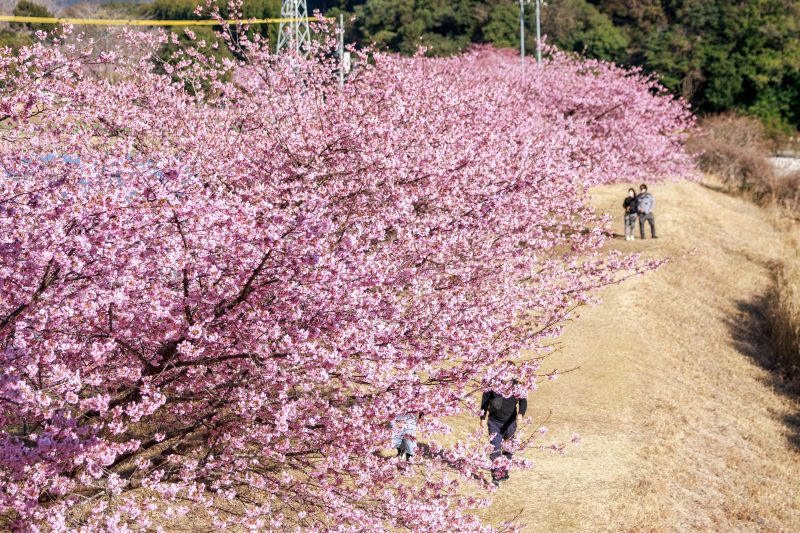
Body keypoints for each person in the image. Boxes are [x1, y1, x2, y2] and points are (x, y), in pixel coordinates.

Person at [480, 383, 527, 485]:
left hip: (510, 423)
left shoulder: (517, 386)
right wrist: (483, 418)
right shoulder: (493, 384)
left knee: (508, 448)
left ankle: (504, 471)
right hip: (494, 423)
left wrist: (520, 414)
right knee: (495, 448)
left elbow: (523, 401)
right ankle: (496, 476)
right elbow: (484, 402)